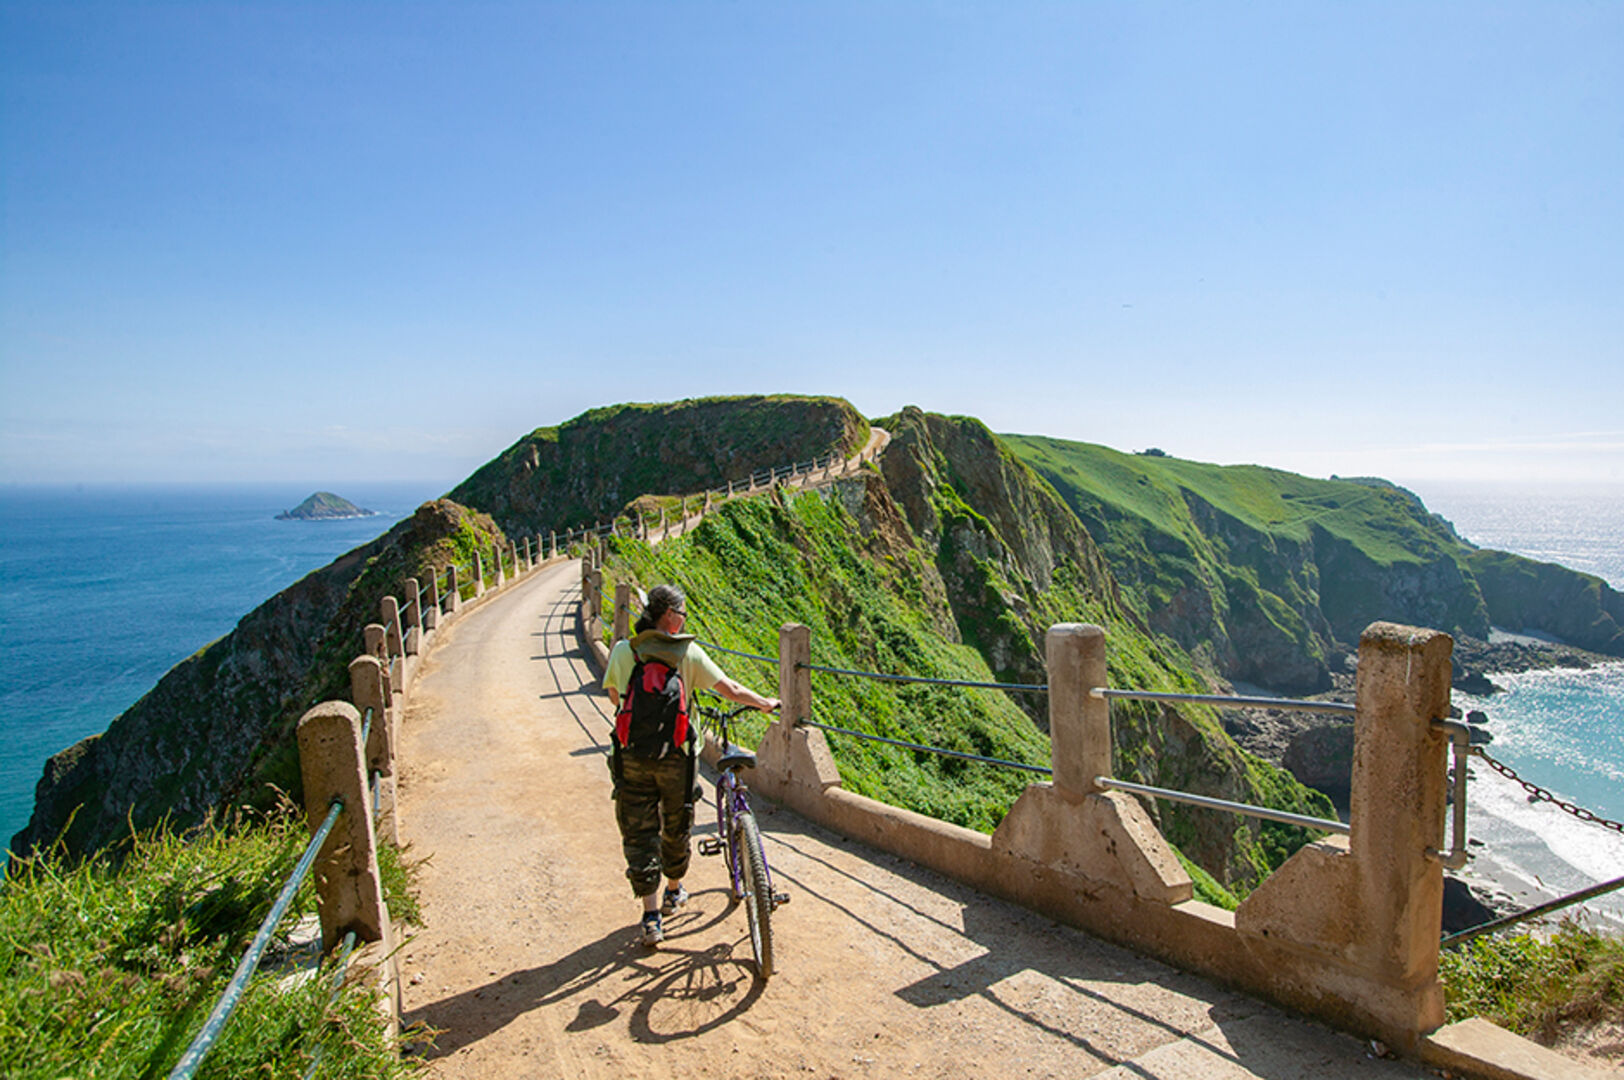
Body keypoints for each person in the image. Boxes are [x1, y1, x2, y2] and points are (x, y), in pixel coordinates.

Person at [603, 583, 779, 945]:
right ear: (669, 616)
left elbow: (614, 697)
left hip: (632, 754)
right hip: (678, 757)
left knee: (639, 832)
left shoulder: (624, 650)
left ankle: (651, 917)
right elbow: (728, 688)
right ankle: (674, 890)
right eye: (682, 614)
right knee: (676, 822)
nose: (684, 620)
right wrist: (763, 702)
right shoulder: (687, 653)